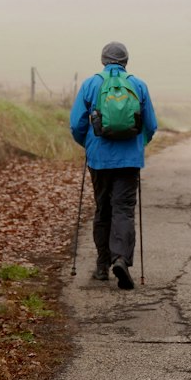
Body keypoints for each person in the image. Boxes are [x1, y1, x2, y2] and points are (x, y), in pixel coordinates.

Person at [70, 41, 158, 289]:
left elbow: (77, 125)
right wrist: (139, 144)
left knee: (103, 208)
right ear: (126, 61)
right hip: (129, 159)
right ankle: (120, 258)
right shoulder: (138, 85)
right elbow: (150, 126)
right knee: (123, 209)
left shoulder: (90, 84)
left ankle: (101, 265)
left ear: (103, 60)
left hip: (98, 158)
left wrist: (87, 145)